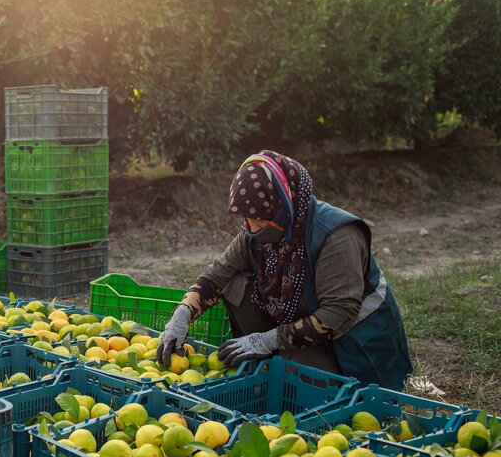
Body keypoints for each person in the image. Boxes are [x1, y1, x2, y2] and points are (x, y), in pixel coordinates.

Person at [157, 150, 412, 390]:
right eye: (245, 218)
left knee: (298, 385)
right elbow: (216, 276)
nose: (249, 226)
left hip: (351, 344)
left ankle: (305, 370)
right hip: (300, 327)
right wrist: (183, 313)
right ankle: (276, 359)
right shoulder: (257, 232)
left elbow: (339, 313)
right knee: (232, 280)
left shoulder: (336, 236)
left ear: (281, 206)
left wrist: (267, 340)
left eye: (257, 218)